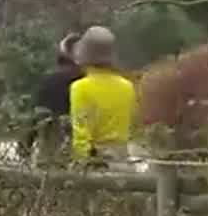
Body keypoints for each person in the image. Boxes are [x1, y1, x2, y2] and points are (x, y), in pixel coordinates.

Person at [67, 25, 135, 165]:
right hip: (122, 160)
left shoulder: (80, 87)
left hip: (95, 161)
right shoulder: (127, 87)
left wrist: (82, 162)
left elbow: (81, 134)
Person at [19, 34, 82, 164]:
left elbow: (35, 118)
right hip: (84, 156)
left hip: (50, 153)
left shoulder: (49, 82)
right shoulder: (88, 81)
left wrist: (24, 149)